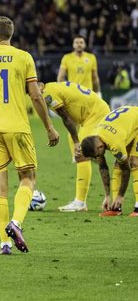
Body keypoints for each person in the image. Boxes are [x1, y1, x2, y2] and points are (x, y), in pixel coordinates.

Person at [0, 16, 59, 255]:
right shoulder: (24, 57)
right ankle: (16, 223)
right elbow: (36, 96)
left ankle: (4, 244)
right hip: (17, 126)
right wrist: (49, 127)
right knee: (28, 178)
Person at [37, 81, 110, 212]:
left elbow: (66, 118)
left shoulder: (48, 93)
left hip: (95, 114)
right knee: (74, 143)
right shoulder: (52, 87)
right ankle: (81, 199)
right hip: (88, 116)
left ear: (40, 84)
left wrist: (77, 142)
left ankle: (80, 202)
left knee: (81, 153)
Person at [56, 35, 101, 211]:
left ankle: (80, 201)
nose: (79, 44)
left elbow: (95, 77)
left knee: (82, 153)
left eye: (81, 42)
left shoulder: (92, 58)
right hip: (75, 103)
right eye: (76, 42)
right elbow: (61, 76)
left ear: (84, 44)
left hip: (88, 104)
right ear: (73, 44)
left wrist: (98, 93)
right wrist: (64, 92)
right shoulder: (67, 58)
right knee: (77, 142)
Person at [80, 106, 138, 217]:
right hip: (125, 124)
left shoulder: (114, 143)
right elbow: (103, 167)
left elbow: (126, 170)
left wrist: (121, 196)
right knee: (118, 163)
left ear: (100, 147)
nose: (97, 158)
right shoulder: (95, 138)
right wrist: (107, 195)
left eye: (97, 156)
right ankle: (116, 208)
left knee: (134, 163)